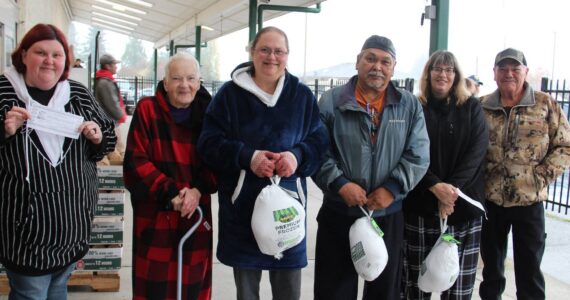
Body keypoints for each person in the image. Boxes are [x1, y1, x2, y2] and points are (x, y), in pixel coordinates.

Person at [197, 26, 328, 300]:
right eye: (265, 50)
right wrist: (248, 157)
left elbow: (319, 141)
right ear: (252, 52)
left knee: (288, 291)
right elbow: (208, 143)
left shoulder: (301, 97)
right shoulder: (229, 96)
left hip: (288, 214)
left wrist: (297, 156)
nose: (272, 57)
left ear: (287, 55)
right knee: (247, 293)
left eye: (279, 51)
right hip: (241, 213)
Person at [0, 23, 116, 300]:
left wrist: (98, 137)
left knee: (57, 290)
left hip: (71, 226)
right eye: (41, 52)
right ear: (24, 54)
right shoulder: (5, 92)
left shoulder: (77, 94)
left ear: (65, 60)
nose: (49, 61)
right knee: (31, 293)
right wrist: (3, 131)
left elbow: (107, 139)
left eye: (57, 54)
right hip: (24, 233)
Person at [312, 35, 430, 300]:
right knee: (334, 290)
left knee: (384, 290)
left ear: (393, 67)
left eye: (385, 61)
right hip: (339, 211)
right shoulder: (331, 102)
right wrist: (341, 184)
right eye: (371, 58)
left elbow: (419, 154)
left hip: (387, 215)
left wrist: (392, 188)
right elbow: (318, 151)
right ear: (358, 62)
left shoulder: (408, 105)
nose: (377, 66)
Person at [123, 52, 218, 300]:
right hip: (156, 215)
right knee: (154, 287)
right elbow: (136, 162)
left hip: (195, 213)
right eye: (176, 78)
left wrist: (197, 190)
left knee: (193, 286)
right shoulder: (147, 110)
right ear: (165, 83)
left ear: (199, 82)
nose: (184, 85)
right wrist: (172, 191)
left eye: (190, 78)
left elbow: (218, 161)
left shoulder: (212, 115)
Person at [478, 48, 570, 300]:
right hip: (491, 200)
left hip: (529, 201)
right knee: (491, 271)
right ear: (494, 74)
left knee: (529, 271)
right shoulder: (481, 106)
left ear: (525, 72)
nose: (509, 73)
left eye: (515, 69)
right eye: (503, 69)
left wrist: (541, 176)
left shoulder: (544, 104)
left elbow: (564, 146)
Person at [401, 50, 488, 299]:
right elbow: (406, 151)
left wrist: (450, 191)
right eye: (437, 69)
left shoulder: (471, 107)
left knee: (458, 290)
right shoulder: (414, 107)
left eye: (449, 70)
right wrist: (434, 186)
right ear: (428, 74)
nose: (443, 74)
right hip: (420, 208)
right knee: (416, 286)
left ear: (457, 76)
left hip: (463, 211)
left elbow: (477, 151)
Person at [95, 53, 127, 161]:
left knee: (118, 149)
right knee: (117, 150)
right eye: (114, 64)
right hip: (110, 123)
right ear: (108, 66)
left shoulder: (105, 80)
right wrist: (121, 115)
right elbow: (111, 103)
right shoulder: (105, 82)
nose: (116, 66)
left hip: (110, 122)